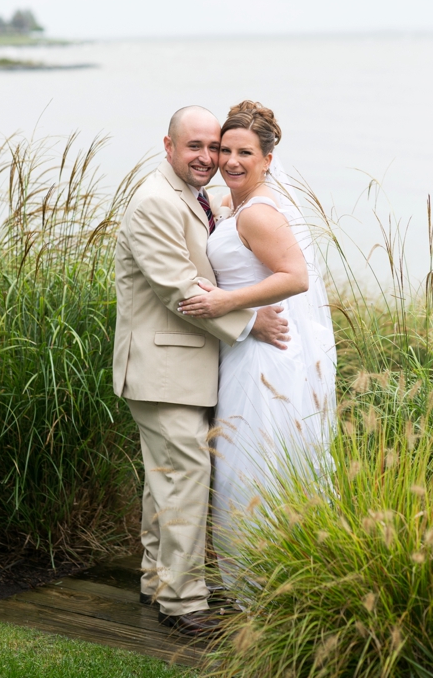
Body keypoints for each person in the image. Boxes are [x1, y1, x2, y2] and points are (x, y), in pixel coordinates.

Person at [113, 106, 290, 638]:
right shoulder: (152, 203)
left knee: (165, 481)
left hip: (185, 368)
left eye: (214, 147)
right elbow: (178, 288)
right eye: (195, 146)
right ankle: (184, 603)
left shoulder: (199, 199)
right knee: (186, 479)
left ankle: (155, 581)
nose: (208, 158)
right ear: (167, 146)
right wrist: (250, 321)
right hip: (161, 367)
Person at [177, 101, 336, 589]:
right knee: (247, 457)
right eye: (225, 150)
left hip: (267, 352)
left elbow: (296, 277)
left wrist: (229, 302)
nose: (230, 161)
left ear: (268, 158)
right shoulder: (235, 206)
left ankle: (263, 582)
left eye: (245, 152)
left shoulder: (259, 214)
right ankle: (266, 575)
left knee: (256, 459)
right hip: (247, 346)